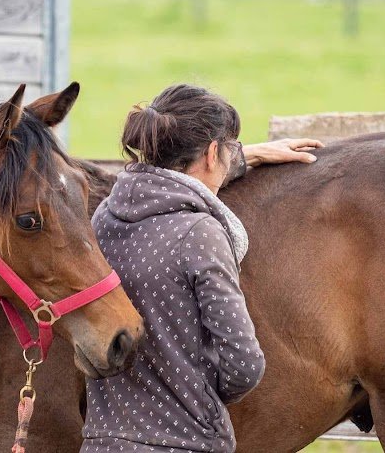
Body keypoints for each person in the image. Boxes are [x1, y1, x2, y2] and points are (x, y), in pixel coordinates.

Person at [81, 84, 323, 452]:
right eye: (231, 149)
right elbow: (244, 365)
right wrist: (197, 397)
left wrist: (248, 156)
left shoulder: (105, 218)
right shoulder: (199, 233)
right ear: (212, 153)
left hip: (104, 442)